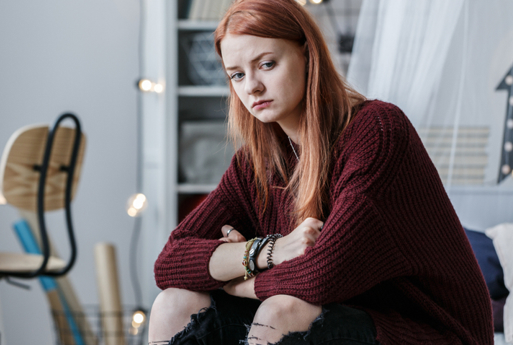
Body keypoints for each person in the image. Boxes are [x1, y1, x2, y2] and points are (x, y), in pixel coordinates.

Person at [148, 0, 494, 344]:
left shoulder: (378, 131)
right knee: (174, 303)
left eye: (266, 64)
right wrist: (267, 252)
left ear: (307, 56)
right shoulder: (256, 162)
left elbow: (322, 275)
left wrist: (239, 282)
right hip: (341, 315)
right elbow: (170, 262)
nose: (251, 86)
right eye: (237, 74)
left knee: (282, 310)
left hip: (428, 331)